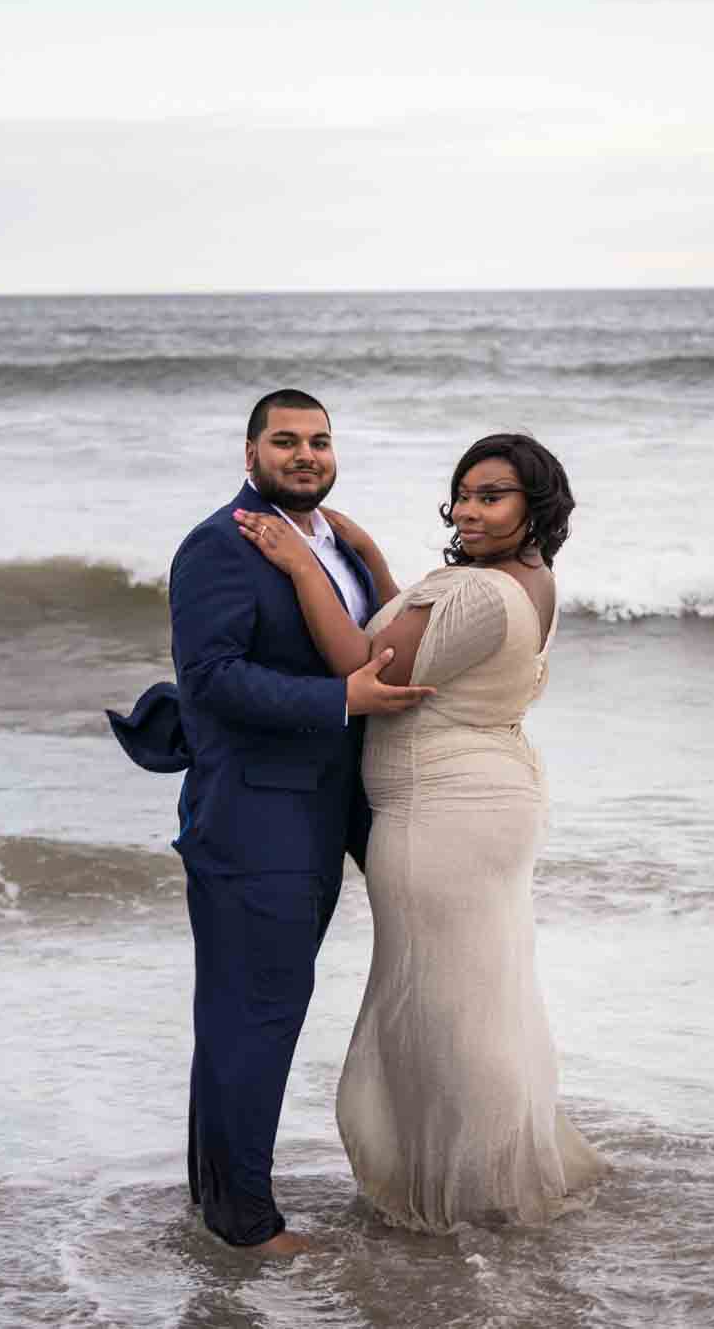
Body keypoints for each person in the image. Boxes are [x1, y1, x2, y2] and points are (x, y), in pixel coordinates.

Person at [234, 432, 608, 1234]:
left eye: (492, 495)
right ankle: (493, 1176)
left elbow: (367, 667)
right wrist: (367, 554)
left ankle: (470, 1194)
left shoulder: (477, 593)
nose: (470, 510)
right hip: (488, 799)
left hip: (442, 814)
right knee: (479, 995)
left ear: (533, 504)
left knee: (441, 1006)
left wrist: (304, 565)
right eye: (463, 493)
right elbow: (428, 635)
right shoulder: (528, 579)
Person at [110, 389, 434, 1256]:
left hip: (320, 810)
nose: (306, 455)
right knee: (256, 1013)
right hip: (254, 818)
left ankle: (215, 1198)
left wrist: (365, 552)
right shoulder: (220, 545)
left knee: (243, 1015)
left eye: (320, 441)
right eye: (285, 440)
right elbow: (212, 680)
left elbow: (374, 640)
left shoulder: (329, 541)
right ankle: (246, 1225)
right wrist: (344, 697)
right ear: (249, 451)